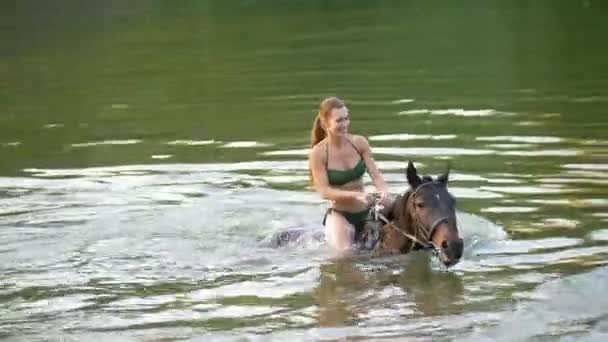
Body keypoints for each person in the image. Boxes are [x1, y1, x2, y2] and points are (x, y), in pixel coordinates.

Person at [308, 96, 391, 255]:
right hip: (341, 215)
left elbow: (376, 175)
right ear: (326, 124)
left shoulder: (359, 143)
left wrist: (384, 192)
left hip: (367, 210)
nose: (345, 124)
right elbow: (324, 191)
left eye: (346, 118)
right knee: (345, 257)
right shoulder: (318, 153)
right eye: (339, 120)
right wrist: (355, 196)